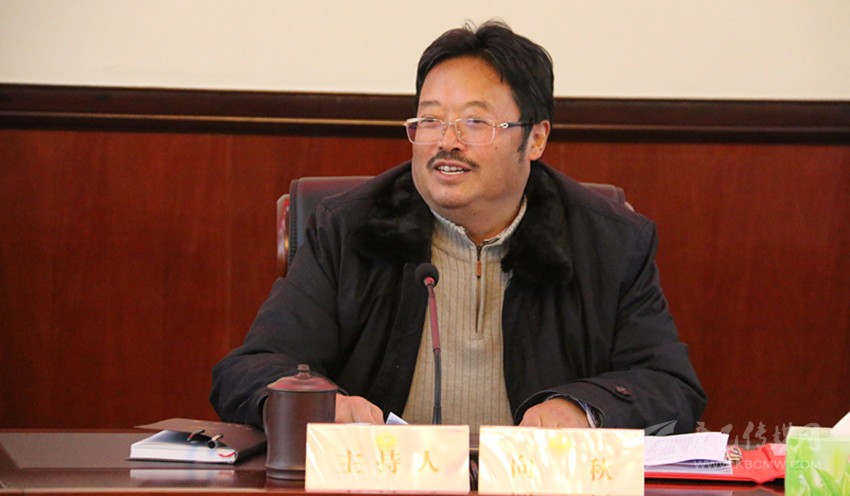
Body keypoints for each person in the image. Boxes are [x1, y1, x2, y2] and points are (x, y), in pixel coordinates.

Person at [210, 20, 706, 433]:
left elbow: (670, 386)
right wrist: (323, 406)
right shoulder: (350, 229)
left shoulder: (609, 242)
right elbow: (250, 370)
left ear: (535, 139)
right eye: (430, 121)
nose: (446, 142)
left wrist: (584, 408)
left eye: (474, 122)